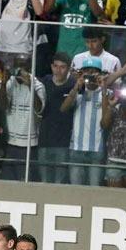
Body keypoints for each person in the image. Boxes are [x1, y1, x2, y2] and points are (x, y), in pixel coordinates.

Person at [62, 55, 107, 186]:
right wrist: (77, 86)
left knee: (94, 190)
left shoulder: (106, 93)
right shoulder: (77, 93)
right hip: (76, 148)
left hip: (97, 149)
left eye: (94, 72)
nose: (90, 75)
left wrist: (103, 88)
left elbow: (107, 122)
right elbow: (64, 108)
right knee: (75, 191)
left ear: (100, 74)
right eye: (87, 71)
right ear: (82, 73)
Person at [0, 60, 45, 181]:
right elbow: (2, 106)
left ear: (29, 67)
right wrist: (3, 83)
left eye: (22, 67)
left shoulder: (38, 85)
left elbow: (39, 109)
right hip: (10, 142)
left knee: (25, 182)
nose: (18, 71)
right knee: (7, 182)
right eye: (16, 67)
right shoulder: (9, 83)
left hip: (29, 145)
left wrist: (30, 86)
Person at [37, 52, 75, 183]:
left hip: (63, 142)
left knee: (59, 184)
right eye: (55, 66)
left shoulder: (74, 84)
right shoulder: (43, 82)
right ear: (51, 66)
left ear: (69, 68)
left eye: (62, 67)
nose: (58, 70)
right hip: (44, 140)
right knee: (44, 182)